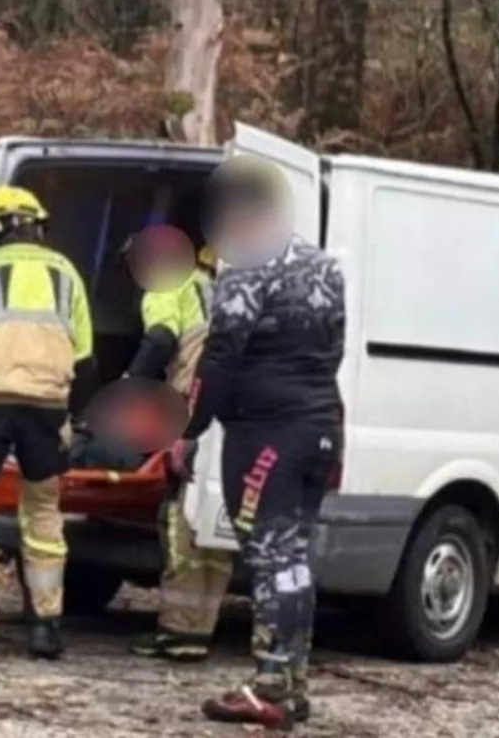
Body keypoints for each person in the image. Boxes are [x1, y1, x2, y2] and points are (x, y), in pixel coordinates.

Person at [188, 160, 346, 730]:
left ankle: (270, 684)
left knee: (270, 555)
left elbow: (222, 353)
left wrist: (190, 427)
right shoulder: (324, 267)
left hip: (266, 436)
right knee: (295, 557)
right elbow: (334, 351)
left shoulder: (244, 268)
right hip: (317, 426)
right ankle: (293, 681)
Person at [0, 186, 96, 664]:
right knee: (45, 514)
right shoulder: (68, 274)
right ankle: (45, 627)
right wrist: (76, 419)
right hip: (49, 410)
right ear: (38, 226)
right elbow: (86, 362)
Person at [118, 228, 234, 663]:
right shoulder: (224, 290)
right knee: (212, 516)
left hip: (192, 403)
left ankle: (177, 632)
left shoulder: (170, 284)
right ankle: (200, 628)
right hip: (231, 409)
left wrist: (127, 386)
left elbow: (161, 340)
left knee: (179, 517)